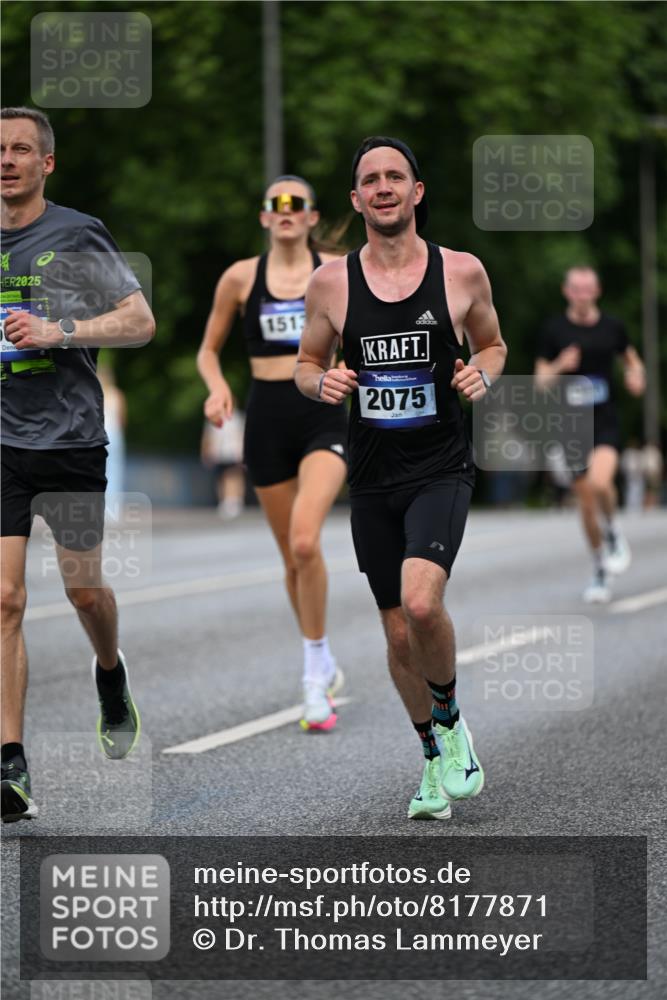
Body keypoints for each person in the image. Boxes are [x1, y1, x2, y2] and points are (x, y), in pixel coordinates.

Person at [295, 136, 507, 819]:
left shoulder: (461, 273)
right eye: (369, 180)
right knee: (393, 633)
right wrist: (320, 381)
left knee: (420, 606)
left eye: (395, 176)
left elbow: (494, 343)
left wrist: (484, 371)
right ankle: (429, 758)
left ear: (416, 192)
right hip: (373, 474)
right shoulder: (330, 283)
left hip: (440, 466)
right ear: (355, 200)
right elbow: (304, 363)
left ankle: (448, 721)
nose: (382, 187)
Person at [0, 107, 155, 823]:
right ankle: (10, 764)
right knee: (4, 601)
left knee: (84, 593)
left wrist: (61, 329)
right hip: (1, 442)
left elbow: (138, 320)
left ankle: (110, 671)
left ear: (46, 164)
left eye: (21, 149)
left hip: (67, 438)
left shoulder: (75, 232)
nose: (7, 160)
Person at [197, 175, 347, 730]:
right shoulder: (240, 277)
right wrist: (216, 388)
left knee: (307, 540)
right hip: (265, 419)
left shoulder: (334, 270)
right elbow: (208, 351)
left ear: (311, 216)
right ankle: (323, 654)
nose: (286, 211)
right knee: (292, 557)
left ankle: (312, 680)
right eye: (276, 204)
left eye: (297, 204)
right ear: (264, 217)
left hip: (322, 412)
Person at [534, 266, 645, 603]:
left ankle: (612, 530)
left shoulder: (612, 327)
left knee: (599, 484)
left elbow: (632, 360)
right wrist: (560, 365)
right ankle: (599, 568)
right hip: (571, 425)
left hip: (605, 419)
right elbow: (541, 382)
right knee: (584, 502)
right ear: (567, 292)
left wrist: (636, 376)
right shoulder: (554, 330)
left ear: (597, 291)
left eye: (588, 288)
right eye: (576, 289)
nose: (582, 294)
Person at [200, 401, 246, 519]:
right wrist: (206, 452)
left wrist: (243, 452)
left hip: (234, 452)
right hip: (218, 453)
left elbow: (242, 435)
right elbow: (208, 437)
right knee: (221, 478)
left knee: (233, 477)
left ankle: (235, 501)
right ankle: (224, 501)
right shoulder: (214, 418)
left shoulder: (237, 418)